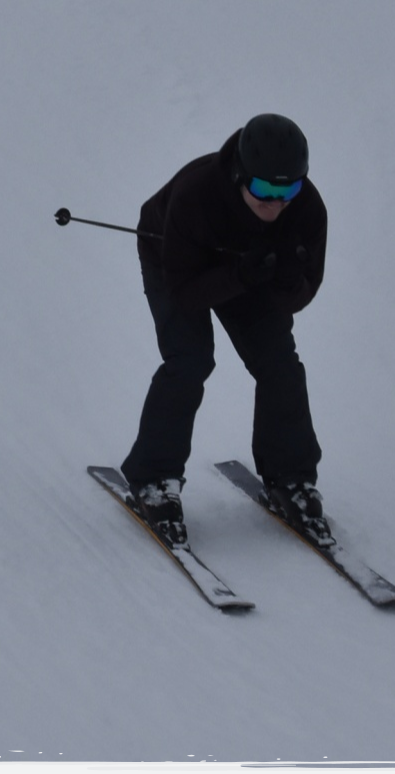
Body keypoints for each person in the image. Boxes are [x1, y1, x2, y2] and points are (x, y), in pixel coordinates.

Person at [119, 113, 328, 545]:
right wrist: (241, 276)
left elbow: (302, 294)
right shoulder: (195, 196)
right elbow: (185, 294)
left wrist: (286, 281)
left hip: (251, 272)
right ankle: (152, 477)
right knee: (190, 358)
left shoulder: (308, 210)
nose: (276, 203)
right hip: (174, 260)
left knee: (280, 364)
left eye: (288, 190)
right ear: (240, 175)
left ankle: (290, 477)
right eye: (264, 189)